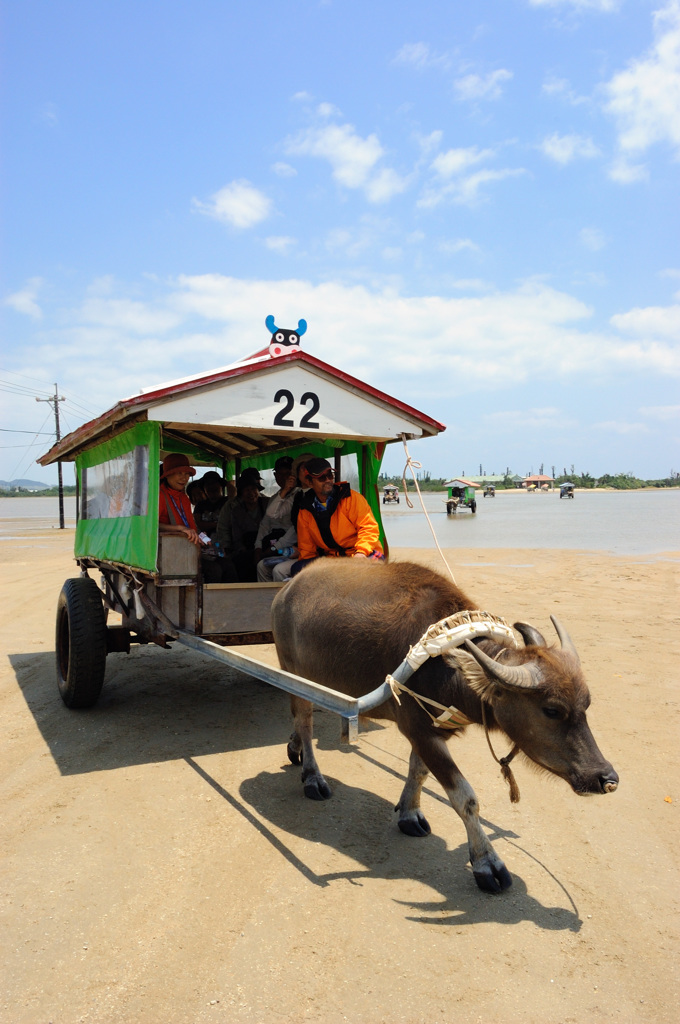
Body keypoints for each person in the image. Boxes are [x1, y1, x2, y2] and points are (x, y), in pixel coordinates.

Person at [292, 457, 383, 572]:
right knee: (297, 569)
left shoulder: (351, 498)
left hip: (363, 553)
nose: (328, 480)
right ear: (309, 482)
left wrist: (361, 553)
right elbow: (307, 549)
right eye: (321, 477)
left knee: (364, 569)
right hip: (332, 559)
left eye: (330, 475)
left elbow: (369, 528)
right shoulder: (305, 509)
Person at [256, 452, 314, 582]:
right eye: (280, 474)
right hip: (289, 548)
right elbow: (271, 515)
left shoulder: (309, 495)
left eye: (288, 474)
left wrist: (274, 548)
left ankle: (281, 602)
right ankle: (268, 602)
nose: (284, 478)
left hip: (304, 550)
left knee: (279, 570)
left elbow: (297, 529)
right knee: (262, 566)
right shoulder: (295, 496)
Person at [216, 476, 269, 582]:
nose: (251, 493)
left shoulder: (267, 503)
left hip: (267, 544)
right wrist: (242, 550)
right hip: (247, 546)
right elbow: (237, 536)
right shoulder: (236, 511)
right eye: (247, 490)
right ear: (241, 493)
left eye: (254, 489)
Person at [158, 453, 201, 547]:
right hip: (164, 549)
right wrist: (180, 528)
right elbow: (152, 525)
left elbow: (191, 526)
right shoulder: (159, 495)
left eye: (186, 474)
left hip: (184, 547)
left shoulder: (184, 498)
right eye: (179, 473)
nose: (184, 478)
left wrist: (200, 536)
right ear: (167, 475)